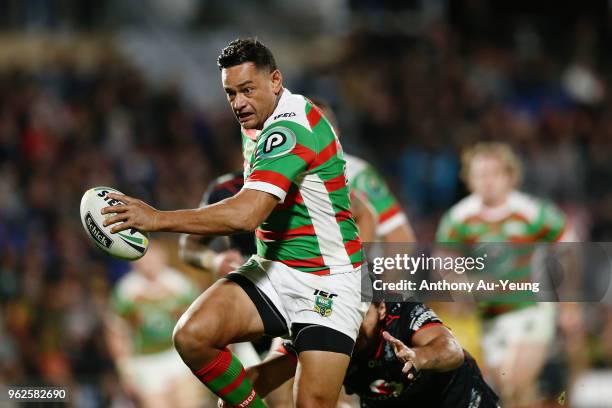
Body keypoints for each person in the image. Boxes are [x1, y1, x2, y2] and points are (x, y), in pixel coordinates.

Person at [101, 38, 367, 408]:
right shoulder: (256, 122)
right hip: (274, 269)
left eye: (247, 89)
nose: (238, 103)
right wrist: (212, 260)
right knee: (193, 334)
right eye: (230, 93)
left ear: (275, 80)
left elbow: (246, 214)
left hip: (327, 281)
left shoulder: (290, 128)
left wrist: (157, 218)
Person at [436, 142, 575, 406]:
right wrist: (460, 286)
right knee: (509, 392)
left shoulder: (532, 211)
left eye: (494, 173)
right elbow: (445, 260)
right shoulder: (458, 218)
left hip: (531, 307)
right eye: (480, 174)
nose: (487, 181)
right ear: (469, 179)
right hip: (490, 316)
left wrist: (569, 303)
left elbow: (570, 247)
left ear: (510, 176)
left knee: (513, 380)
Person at [223, 300, 499, 408]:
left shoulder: (405, 316)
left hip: (461, 400)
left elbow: (451, 350)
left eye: (359, 313)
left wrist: (419, 357)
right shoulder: (325, 335)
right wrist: (232, 393)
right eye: (343, 314)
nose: (350, 324)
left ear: (380, 310)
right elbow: (263, 376)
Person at [106, 241, 203, 408]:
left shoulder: (180, 285)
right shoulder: (126, 291)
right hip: (145, 361)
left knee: (189, 403)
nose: (148, 265)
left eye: (152, 258)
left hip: (177, 355)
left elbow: (199, 321)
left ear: (163, 258)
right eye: (142, 260)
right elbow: (116, 333)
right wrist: (125, 370)